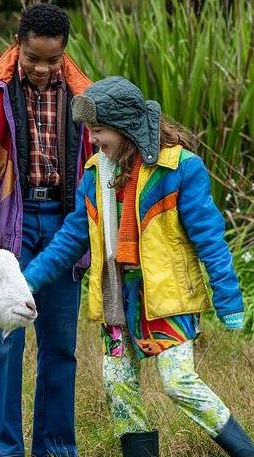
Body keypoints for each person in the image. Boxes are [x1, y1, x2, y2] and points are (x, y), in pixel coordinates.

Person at [23, 75, 254, 457]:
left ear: (124, 126)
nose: (93, 140)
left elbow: (209, 239)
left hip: (166, 295)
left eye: (98, 131)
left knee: (179, 383)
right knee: (118, 386)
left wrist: (228, 297)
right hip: (118, 295)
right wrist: (27, 280)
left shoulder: (181, 168)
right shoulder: (96, 172)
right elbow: (70, 239)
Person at [0, 3, 93, 456]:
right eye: (34, 57)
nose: (42, 68)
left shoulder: (83, 95)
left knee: (60, 343)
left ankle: (56, 447)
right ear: (18, 44)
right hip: (9, 227)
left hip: (66, 225)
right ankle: (0, 446)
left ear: (64, 52)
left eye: (53, 59)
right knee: (3, 339)